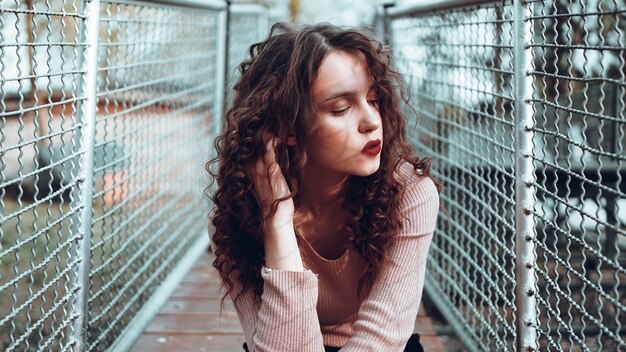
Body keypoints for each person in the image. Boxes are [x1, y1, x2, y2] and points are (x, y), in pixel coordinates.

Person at [207, 22, 440, 352]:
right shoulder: (234, 218)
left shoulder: (408, 195)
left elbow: (382, 340)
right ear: (287, 127)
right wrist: (277, 223)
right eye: (341, 108)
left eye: (373, 99)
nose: (372, 121)